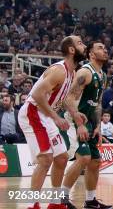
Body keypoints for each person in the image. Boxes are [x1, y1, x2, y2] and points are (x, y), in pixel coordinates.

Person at [17, 36, 86, 209]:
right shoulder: (59, 70)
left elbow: (61, 100)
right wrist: (56, 117)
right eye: (80, 43)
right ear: (71, 50)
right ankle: (31, 205)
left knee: (62, 158)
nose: (84, 46)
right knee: (46, 159)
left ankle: (56, 203)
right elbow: (37, 95)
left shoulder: (72, 73)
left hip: (45, 115)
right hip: (33, 113)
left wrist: (75, 114)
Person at [61, 41, 113, 209]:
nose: (104, 50)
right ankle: (61, 199)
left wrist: (98, 126)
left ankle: (90, 201)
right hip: (73, 119)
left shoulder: (103, 75)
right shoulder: (85, 72)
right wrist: (79, 122)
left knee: (95, 161)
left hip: (89, 122)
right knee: (84, 158)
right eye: (100, 48)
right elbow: (67, 99)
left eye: (105, 48)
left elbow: (97, 104)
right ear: (91, 54)